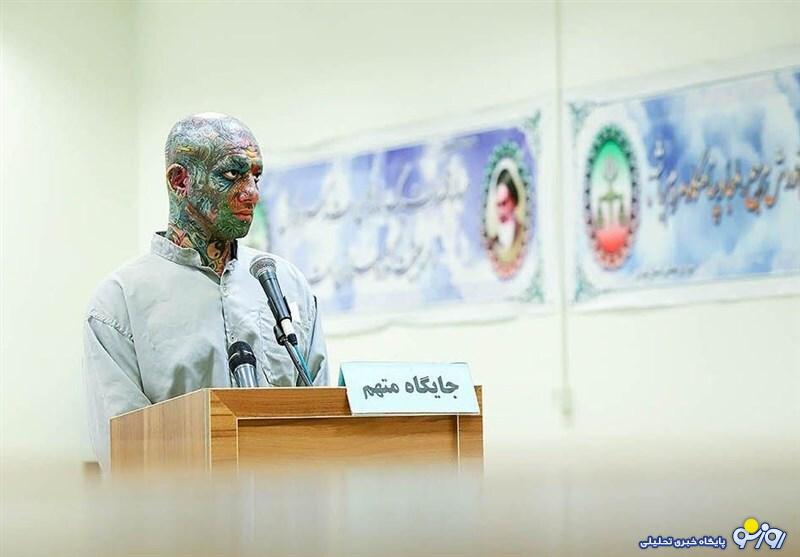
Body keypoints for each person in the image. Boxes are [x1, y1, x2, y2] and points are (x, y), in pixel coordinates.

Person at [83, 113, 329, 469]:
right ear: (180, 180)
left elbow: (324, 424)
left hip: (286, 501)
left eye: (256, 176)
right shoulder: (118, 303)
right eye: (232, 174)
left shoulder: (287, 283)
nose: (252, 193)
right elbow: (125, 454)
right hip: (184, 504)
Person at [487, 168, 525, 262]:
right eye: (498, 205)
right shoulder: (493, 242)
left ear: (514, 202)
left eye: (504, 203)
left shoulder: (523, 233)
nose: (500, 211)